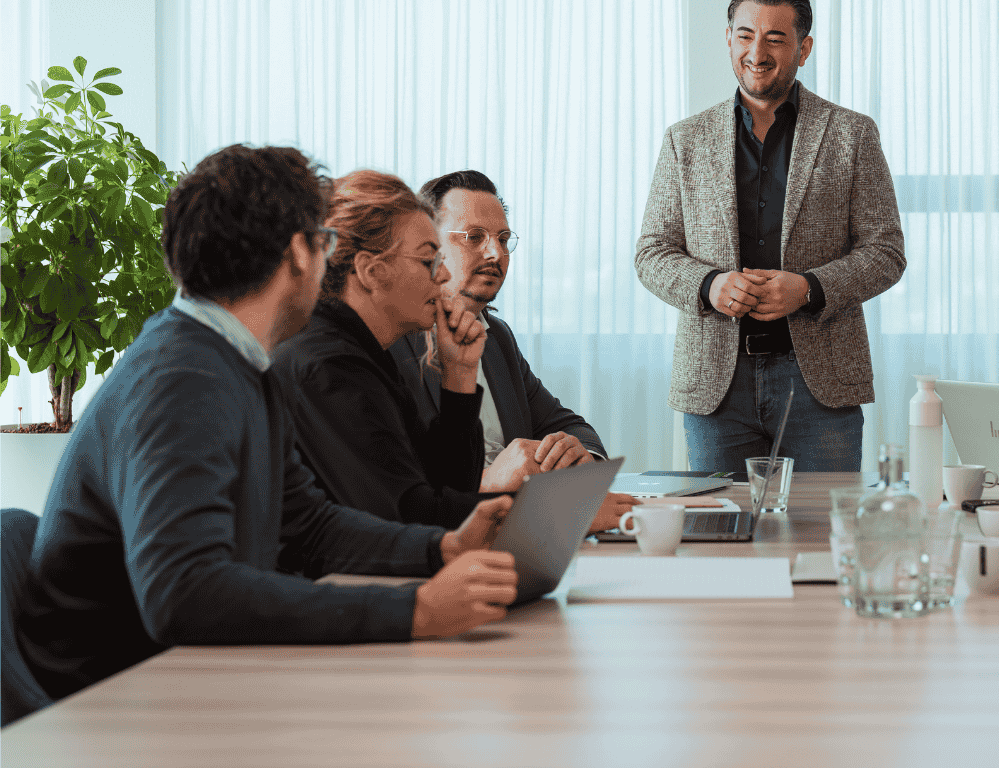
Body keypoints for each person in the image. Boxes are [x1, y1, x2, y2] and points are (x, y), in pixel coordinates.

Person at [17, 146, 518, 703]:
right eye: (323, 244)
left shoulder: (237, 363)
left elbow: (308, 526)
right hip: (118, 708)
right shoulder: (182, 378)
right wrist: (414, 609)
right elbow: (184, 593)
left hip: (185, 682)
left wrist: (441, 549)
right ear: (298, 254)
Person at [635, 0, 906, 474]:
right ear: (728, 38)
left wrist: (810, 288)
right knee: (719, 541)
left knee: (824, 537)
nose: (756, 51)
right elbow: (652, 252)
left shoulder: (852, 134)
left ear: (804, 49)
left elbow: (885, 251)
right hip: (716, 387)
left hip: (819, 384)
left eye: (775, 39)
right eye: (744, 35)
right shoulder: (684, 140)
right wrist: (709, 284)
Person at [272, 170, 632, 532]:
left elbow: (441, 491)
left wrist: (459, 377)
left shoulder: (372, 350)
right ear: (372, 271)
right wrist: (563, 513)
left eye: (504, 238)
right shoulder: (331, 362)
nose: (441, 276)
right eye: (430, 260)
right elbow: (414, 513)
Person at [391, 170, 608, 485]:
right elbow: (388, 484)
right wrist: (488, 480)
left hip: (517, 519)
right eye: (474, 237)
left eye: (503, 239)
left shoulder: (498, 337)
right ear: (430, 244)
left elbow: (567, 425)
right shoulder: (393, 338)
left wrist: (579, 455)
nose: (496, 253)